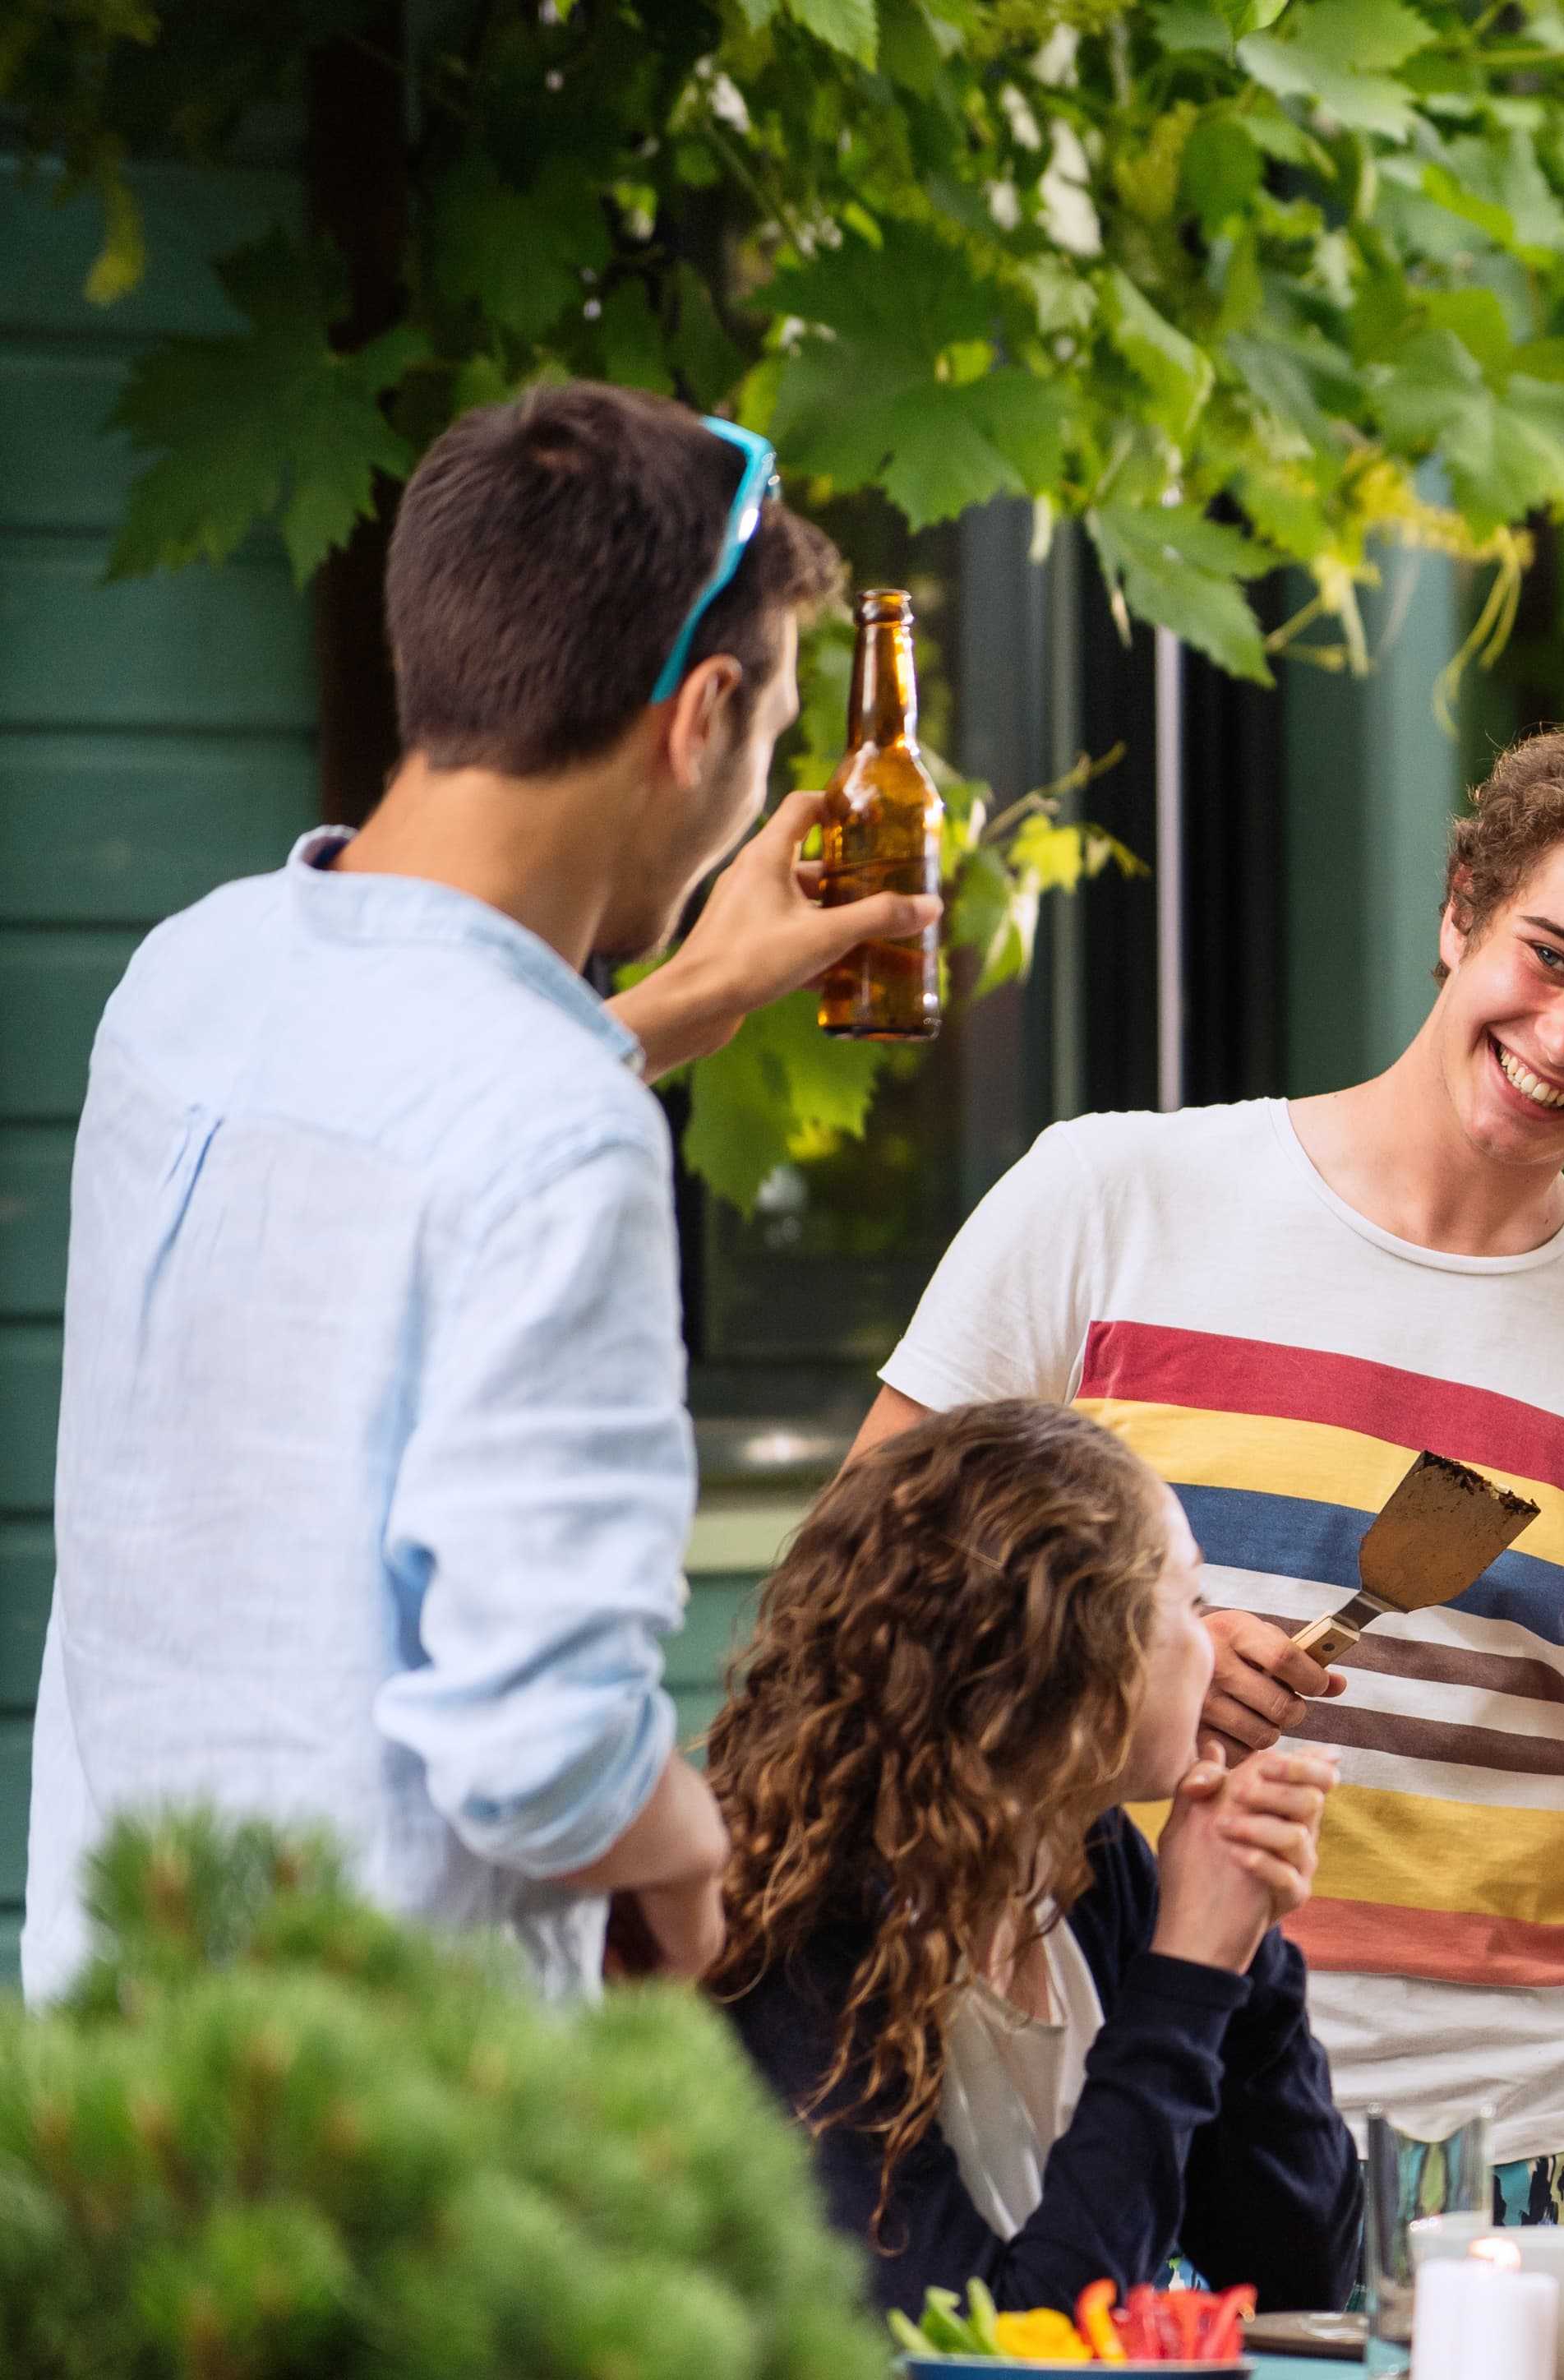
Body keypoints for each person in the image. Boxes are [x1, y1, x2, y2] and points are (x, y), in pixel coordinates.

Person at [855, 716, 1564, 2232]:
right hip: (1124, 2093)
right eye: (1548, 954)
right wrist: (1124, 1660)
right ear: (1460, 905)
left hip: (1535, 2154)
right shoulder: (1110, 1198)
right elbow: (859, 1592)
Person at [23, 381, 939, 2004]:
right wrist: (688, 1849)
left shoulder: (188, 979)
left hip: (122, 2072)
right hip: (383, 2127)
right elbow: (546, 1755)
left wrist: (667, 1008)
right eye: (783, 730)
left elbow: (381, 1149)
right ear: (701, 714)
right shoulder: (556, 1133)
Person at [709, 1403, 1357, 2315]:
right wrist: (1187, 1974)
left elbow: (1300, 2275)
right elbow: (1012, 2350)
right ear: (1077, 1655)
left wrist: (1242, 1948)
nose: (1215, 1645)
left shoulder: (1093, 1868)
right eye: (1187, 1600)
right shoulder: (805, 1931)